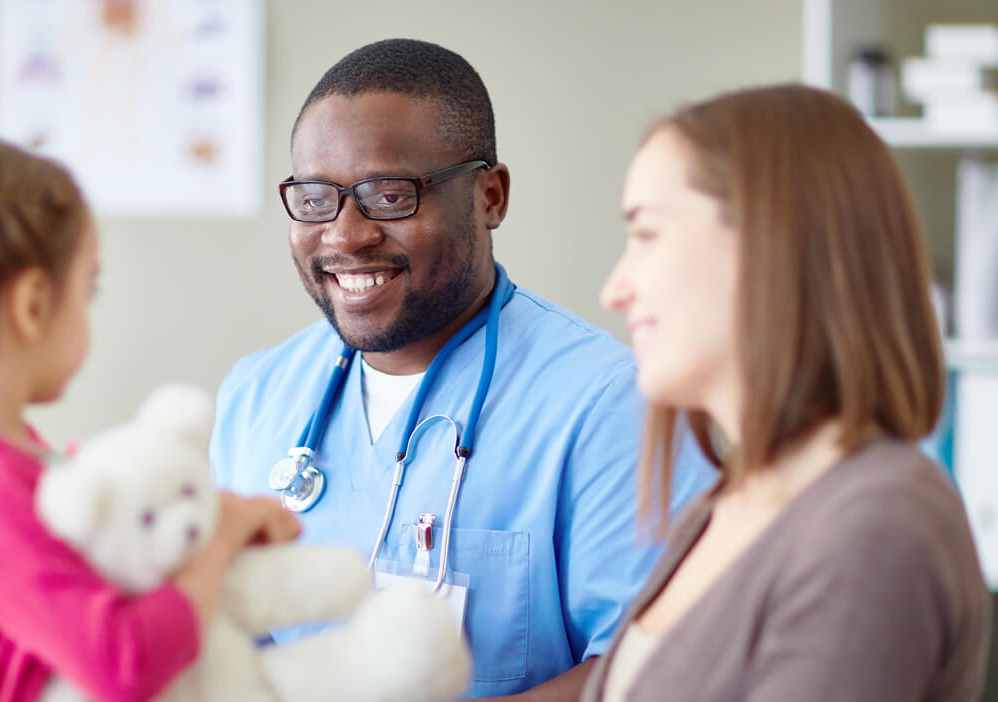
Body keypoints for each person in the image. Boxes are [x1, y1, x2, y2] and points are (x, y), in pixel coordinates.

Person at [210, 39, 712, 700]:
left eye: (390, 195)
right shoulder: (257, 396)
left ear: (490, 196)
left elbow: (658, 670)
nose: (344, 234)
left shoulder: (611, 406)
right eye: (315, 197)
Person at [0, 136, 301, 702]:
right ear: (31, 305)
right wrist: (218, 539)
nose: (88, 312)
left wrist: (221, 527)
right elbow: (125, 661)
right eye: (87, 290)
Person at [583, 83, 992, 702]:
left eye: (646, 235)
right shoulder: (722, 505)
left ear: (768, 242)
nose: (615, 290)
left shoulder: (874, 525)